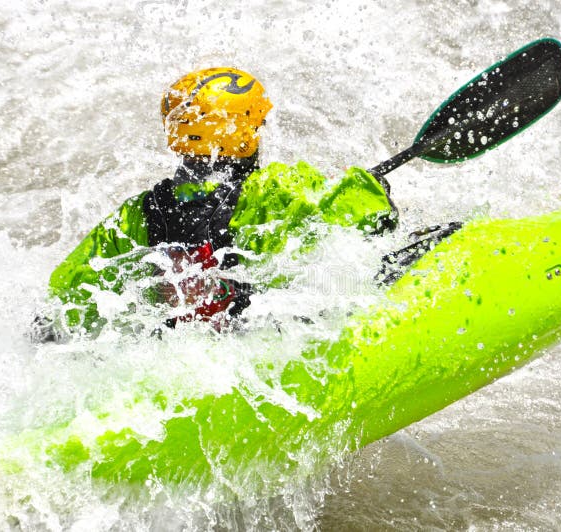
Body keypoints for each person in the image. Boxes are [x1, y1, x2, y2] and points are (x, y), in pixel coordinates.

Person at [38, 67, 399, 340]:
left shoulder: (138, 213)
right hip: (260, 349)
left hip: (183, 357)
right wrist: (373, 187)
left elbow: (69, 296)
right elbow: (366, 217)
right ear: (243, 134)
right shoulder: (273, 191)